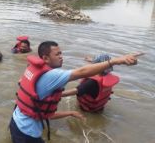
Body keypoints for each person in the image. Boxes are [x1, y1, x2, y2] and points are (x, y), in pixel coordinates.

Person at [10, 41, 141, 143]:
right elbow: (81, 72)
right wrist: (117, 61)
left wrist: (71, 112)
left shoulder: (33, 69)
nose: (61, 57)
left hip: (16, 121)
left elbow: (42, 111)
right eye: (57, 55)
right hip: (26, 133)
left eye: (61, 53)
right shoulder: (52, 76)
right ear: (45, 58)